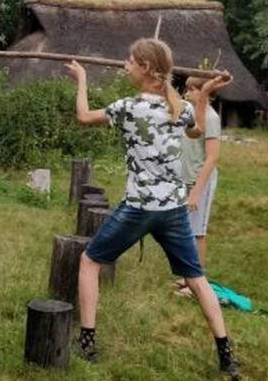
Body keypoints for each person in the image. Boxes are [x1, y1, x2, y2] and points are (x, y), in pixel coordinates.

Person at [65, 38, 240, 376]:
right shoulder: (180, 108)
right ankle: (226, 355)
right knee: (196, 278)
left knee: (90, 261)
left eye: (130, 62)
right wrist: (204, 95)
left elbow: (84, 116)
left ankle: (86, 343)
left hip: (139, 208)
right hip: (174, 208)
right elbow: (196, 132)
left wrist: (82, 78)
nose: (125, 66)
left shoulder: (128, 107)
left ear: (145, 68)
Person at [174, 76, 222, 297]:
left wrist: (196, 191)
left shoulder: (211, 118)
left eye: (192, 89)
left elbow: (212, 158)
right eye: (187, 88)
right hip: (184, 180)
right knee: (185, 231)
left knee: (197, 233)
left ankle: (197, 284)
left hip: (200, 182)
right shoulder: (189, 114)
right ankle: (188, 278)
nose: (187, 92)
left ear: (205, 92)